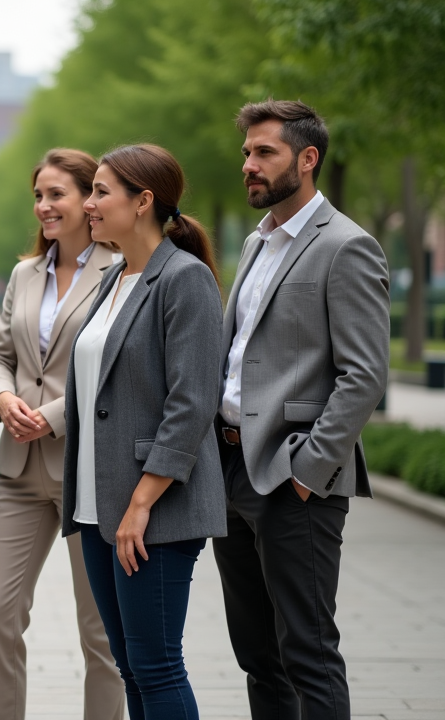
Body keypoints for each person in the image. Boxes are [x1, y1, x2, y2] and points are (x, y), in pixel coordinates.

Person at [213, 100, 389, 720]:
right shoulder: (260, 243)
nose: (249, 165)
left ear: (307, 159)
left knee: (308, 653)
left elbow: (364, 375)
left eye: (265, 153)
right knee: (257, 656)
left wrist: (309, 472)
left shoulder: (346, 246)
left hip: (293, 480)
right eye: (246, 154)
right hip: (232, 472)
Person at [60, 143, 226, 719]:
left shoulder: (185, 279)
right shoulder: (114, 280)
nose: (88, 204)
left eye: (101, 191)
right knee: (130, 664)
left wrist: (141, 503)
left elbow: (192, 401)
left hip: (152, 511)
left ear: (144, 201)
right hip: (98, 507)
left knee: (157, 666)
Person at [0, 149, 124, 720]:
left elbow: (117, 368)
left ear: (90, 199)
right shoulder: (23, 274)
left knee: (101, 634)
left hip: (88, 470)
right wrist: (2, 396)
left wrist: (56, 415)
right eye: (38, 195)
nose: (44, 206)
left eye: (56, 194)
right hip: (18, 468)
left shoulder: (120, 269)